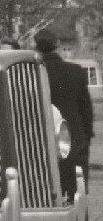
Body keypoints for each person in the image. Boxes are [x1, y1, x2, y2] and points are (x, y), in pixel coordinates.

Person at [35, 28, 95, 198]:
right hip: (76, 141)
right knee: (78, 196)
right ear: (58, 45)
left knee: (48, 195)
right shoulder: (76, 71)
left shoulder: (36, 73)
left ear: (37, 48)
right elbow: (86, 111)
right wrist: (86, 138)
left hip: (45, 142)